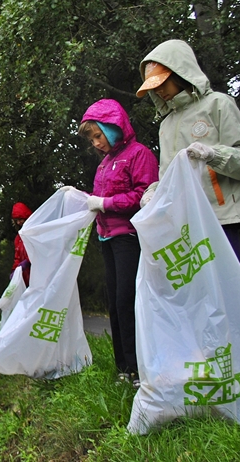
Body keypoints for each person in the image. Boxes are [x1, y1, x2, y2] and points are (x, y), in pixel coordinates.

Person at [136, 39, 240, 263]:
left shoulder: (218, 104)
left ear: (179, 72)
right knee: (197, 297)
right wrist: (154, 191)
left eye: (162, 82)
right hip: (183, 226)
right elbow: (168, 175)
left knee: (226, 293)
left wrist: (214, 155)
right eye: (153, 86)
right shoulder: (166, 124)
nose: (159, 90)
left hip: (219, 218)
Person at [76, 98, 159, 388]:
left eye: (98, 135)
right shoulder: (104, 164)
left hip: (130, 236)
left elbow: (143, 196)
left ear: (113, 127)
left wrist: (105, 203)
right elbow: (100, 201)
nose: (96, 143)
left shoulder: (140, 155)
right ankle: (123, 368)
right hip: (107, 237)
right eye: (92, 139)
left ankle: (139, 368)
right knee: (114, 301)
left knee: (128, 300)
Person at [10, 202, 32, 286]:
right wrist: (14, 270)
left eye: (20, 219)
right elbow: (17, 257)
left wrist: (28, 261)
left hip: (37, 274)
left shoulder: (35, 232)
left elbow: (39, 250)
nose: (19, 222)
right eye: (16, 220)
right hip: (25, 277)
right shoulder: (18, 238)